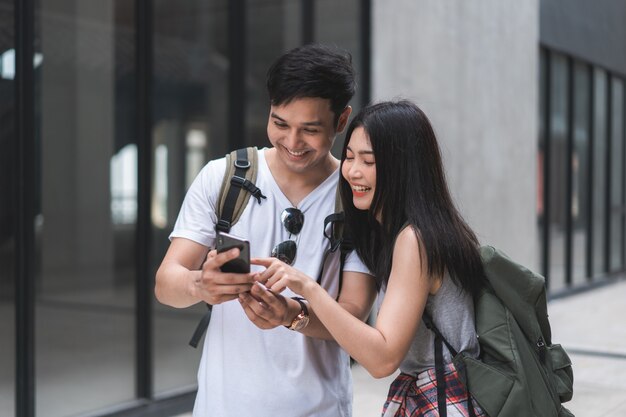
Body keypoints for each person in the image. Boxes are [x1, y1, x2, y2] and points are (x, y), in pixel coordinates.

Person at [154, 44, 376, 417]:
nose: (292, 143)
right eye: (280, 123)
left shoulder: (356, 196)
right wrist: (199, 285)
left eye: (310, 130)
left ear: (342, 121)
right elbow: (165, 284)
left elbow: (353, 315)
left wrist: (290, 313)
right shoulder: (223, 177)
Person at [254, 100, 487, 416]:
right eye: (349, 157)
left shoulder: (414, 241)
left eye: (369, 161)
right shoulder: (416, 231)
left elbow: (382, 358)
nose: (352, 172)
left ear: (403, 167)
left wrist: (308, 288)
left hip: (444, 400)